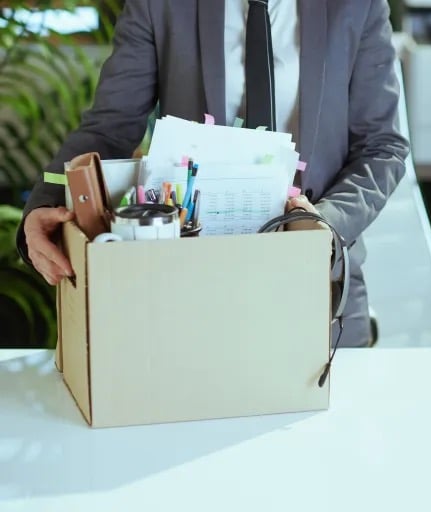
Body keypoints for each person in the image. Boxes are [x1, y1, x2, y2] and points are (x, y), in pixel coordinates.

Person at [16, 0, 409, 348]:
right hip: (192, 290)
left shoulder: (359, 6)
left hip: (317, 289)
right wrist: (46, 202)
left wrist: (323, 225)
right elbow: (108, 128)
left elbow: (382, 146)